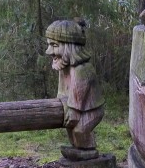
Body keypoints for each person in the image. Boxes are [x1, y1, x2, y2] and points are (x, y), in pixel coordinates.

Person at [44, 19, 105, 158]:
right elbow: (62, 92)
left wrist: (72, 112)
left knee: (80, 130)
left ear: (70, 47)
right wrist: (61, 107)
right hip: (73, 107)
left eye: (54, 45)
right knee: (71, 129)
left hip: (91, 110)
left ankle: (88, 152)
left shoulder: (82, 70)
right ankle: (78, 150)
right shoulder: (64, 67)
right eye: (49, 45)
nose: (49, 51)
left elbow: (78, 98)